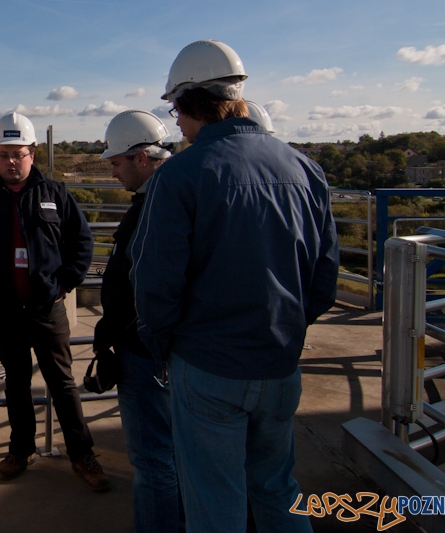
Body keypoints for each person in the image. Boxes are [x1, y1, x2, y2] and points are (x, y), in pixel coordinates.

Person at [128, 40, 339, 532]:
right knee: (279, 491)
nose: (175, 122)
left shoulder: (179, 176)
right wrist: (284, 329)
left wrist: (163, 350)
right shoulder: (305, 169)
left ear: (189, 103)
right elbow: (324, 278)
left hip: (208, 369)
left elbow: (156, 284)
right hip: (280, 366)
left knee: (215, 506)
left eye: (175, 109)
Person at [0, 112, 111, 492]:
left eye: (18, 154)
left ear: (32, 154)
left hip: (47, 310)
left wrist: (63, 285)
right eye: (4, 154)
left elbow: (82, 244)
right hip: (4, 312)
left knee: (63, 384)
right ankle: (20, 451)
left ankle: (82, 455)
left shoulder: (57, 195)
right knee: (16, 385)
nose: (11, 161)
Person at [92, 110, 182, 532]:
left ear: (142, 158)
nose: (112, 173)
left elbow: (153, 281)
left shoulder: (158, 208)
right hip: (153, 348)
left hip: (147, 354)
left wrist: (124, 332)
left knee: (154, 459)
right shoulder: (169, 199)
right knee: (171, 454)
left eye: (115, 163)